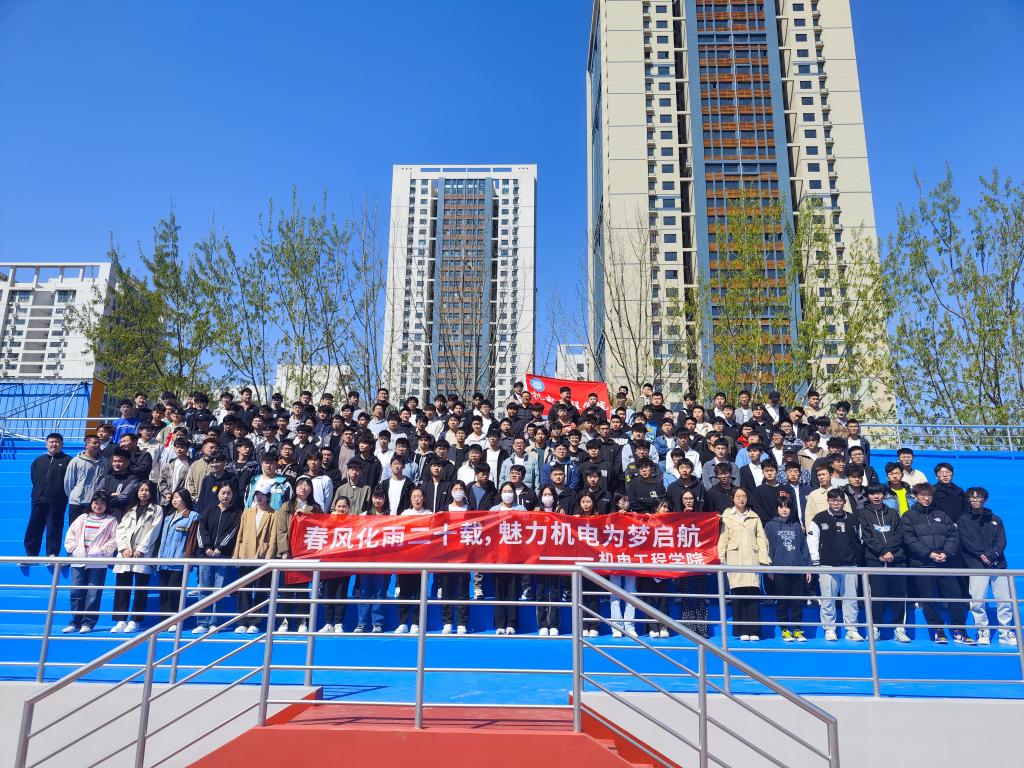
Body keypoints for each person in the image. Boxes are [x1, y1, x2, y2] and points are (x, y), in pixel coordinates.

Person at [902, 483, 973, 644]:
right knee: (929, 598)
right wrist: (929, 554)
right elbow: (909, 539)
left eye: (929, 495)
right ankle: (937, 629)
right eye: (922, 495)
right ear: (916, 496)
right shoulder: (908, 516)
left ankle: (959, 630)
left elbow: (953, 534)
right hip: (923, 564)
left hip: (945, 563)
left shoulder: (941, 514)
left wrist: (946, 553)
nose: (926, 498)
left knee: (955, 596)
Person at [959, 487, 1017, 646]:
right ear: (968, 500)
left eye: (978, 497)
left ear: (985, 499)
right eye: (972, 497)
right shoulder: (963, 520)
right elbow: (967, 542)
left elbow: (1001, 541)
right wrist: (983, 556)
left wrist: (991, 555)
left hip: (998, 565)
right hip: (976, 565)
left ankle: (1005, 631)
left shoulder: (996, 519)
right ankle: (982, 630)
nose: (975, 500)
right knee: (978, 601)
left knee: (1004, 600)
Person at [807, 489, 864, 641]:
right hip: (827, 565)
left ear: (844, 502)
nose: (836, 503)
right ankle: (829, 629)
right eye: (832, 500)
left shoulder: (853, 519)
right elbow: (812, 541)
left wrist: (858, 562)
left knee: (851, 599)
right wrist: (816, 562)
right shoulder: (819, 518)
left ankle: (851, 629)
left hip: (850, 564)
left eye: (839, 500)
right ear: (828, 501)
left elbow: (860, 540)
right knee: (828, 599)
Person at [858, 484, 910, 642]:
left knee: (899, 595)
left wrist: (889, 552)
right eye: (872, 494)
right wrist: (881, 552)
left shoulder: (893, 513)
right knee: (876, 595)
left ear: (884, 495)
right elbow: (867, 537)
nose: (876, 496)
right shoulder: (862, 514)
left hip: (895, 558)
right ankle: (874, 628)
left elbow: (899, 534)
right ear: (868, 496)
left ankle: (900, 628)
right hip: (875, 559)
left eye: (879, 493)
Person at [718, 487, 770, 641]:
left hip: (752, 559)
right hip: (734, 560)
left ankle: (754, 631)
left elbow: (761, 539)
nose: (741, 499)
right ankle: (741, 630)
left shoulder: (754, 516)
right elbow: (723, 539)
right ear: (732, 498)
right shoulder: (727, 516)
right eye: (738, 496)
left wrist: (764, 559)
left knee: (753, 595)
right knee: (738, 595)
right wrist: (721, 557)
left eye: (744, 496)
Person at [62, 491, 118, 634]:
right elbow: (70, 535)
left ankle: (88, 623)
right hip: (79, 560)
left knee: (93, 593)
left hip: (97, 562)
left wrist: (101, 551)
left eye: (102, 503)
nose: (98, 505)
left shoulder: (111, 521)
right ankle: (75, 622)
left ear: (107, 505)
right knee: (76, 591)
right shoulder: (82, 518)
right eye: (96, 502)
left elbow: (114, 540)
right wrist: (74, 549)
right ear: (91, 503)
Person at [111, 481, 164, 633]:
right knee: (122, 586)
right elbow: (120, 529)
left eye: (147, 490)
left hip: (143, 553)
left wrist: (141, 549)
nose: (143, 493)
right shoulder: (130, 509)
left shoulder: (157, 509)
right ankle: (121, 620)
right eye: (141, 490)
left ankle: (135, 620)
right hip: (126, 554)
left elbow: (154, 531)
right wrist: (123, 548)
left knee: (141, 588)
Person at [276, 476, 323, 633]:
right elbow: (281, 530)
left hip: (306, 555)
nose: (304, 487)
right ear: (295, 488)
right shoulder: (286, 506)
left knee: (303, 590)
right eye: (301, 485)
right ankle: (284, 621)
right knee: (286, 590)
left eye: (307, 485)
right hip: (289, 554)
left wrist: (306, 516)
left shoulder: (315, 508)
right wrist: (284, 551)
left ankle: (302, 621)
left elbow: (321, 528)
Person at [193, 484, 241, 635]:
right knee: (204, 589)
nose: (226, 496)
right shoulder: (209, 510)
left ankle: (214, 622)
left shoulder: (236, 513)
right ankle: (202, 622)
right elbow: (201, 529)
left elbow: (232, 532)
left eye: (228, 493)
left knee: (219, 590)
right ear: (218, 494)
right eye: (223, 493)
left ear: (232, 496)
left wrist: (220, 548)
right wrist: (207, 547)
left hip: (222, 556)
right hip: (205, 556)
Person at [233, 486, 282, 633]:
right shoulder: (247, 512)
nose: (259, 497)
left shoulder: (273, 514)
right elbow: (240, 534)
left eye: (262, 495)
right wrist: (236, 555)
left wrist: (269, 558)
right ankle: (243, 620)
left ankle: (256, 621)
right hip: (246, 554)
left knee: (261, 589)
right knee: (244, 588)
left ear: (268, 497)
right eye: (257, 494)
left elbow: (273, 538)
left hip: (262, 555)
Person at [764, 493, 811, 642]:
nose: (784, 510)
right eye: (781, 507)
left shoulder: (796, 526)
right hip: (779, 570)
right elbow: (767, 548)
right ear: (777, 509)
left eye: (787, 507)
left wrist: (807, 567)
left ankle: (797, 629)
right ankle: (784, 629)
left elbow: (804, 548)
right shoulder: (770, 526)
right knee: (783, 601)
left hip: (797, 569)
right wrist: (769, 566)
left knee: (797, 601)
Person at [156, 490, 199, 627]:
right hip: (164, 561)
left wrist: (188, 558)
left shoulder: (192, 516)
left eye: (178, 497)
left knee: (174, 591)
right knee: (164, 592)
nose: (174, 500)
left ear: (185, 499)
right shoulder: (168, 517)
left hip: (179, 562)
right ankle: (164, 622)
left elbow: (192, 540)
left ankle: (175, 621)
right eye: (173, 498)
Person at [26, 432, 70, 559]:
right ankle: (31, 555)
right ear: (46, 444)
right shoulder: (38, 460)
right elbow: (34, 478)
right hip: (38, 499)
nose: (54, 444)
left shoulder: (68, 460)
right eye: (51, 442)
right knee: (34, 527)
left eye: (57, 442)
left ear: (62, 444)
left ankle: (52, 554)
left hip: (57, 501)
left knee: (54, 528)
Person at [492, 483, 528, 635]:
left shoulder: (521, 509)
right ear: (500, 493)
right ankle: (500, 624)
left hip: (515, 556)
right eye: (505, 491)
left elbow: (526, 530)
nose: (508, 494)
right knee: (499, 591)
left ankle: (511, 624)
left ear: (514, 493)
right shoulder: (494, 510)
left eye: (510, 491)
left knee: (513, 591)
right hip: (498, 556)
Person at [395, 488, 431, 634]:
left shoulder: (429, 514)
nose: (417, 499)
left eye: (419, 496)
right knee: (404, 591)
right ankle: (403, 622)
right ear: (410, 499)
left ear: (423, 498)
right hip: (406, 560)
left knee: (418, 592)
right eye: (414, 496)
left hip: (422, 560)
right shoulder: (405, 514)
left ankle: (416, 623)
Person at [675, 488, 710, 637]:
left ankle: (702, 627)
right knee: (686, 593)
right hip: (684, 560)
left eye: (690, 498)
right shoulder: (675, 518)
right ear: (681, 501)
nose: (688, 501)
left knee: (700, 593)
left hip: (699, 559)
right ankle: (689, 627)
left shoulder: (702, 517)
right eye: (685, 499)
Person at [319, 496, 353, 634]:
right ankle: (328, 623)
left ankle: (339, 623)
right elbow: (322, 534)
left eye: (344, 506)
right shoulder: (329, 520)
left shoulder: (353, 522)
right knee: (328, 594)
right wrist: (331, 520)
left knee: (341, 594)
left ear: (348, 508)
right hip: (329, 563)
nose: (341, 509)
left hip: (345, 564)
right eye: (339, 506)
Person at [608, 494, 638, 637]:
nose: (625, 503)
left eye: (627, 500)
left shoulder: (635, 516)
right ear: (616, 502)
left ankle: (629, 626)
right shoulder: (611, 517)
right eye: (622, 500)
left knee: (630, 593)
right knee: (615, 594)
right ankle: (616, 627)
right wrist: (618, 517)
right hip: (615, 559)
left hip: (631, 559)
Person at [64, 434, 107, 526]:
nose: (97, 445)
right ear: (86, 445)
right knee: (75, 529)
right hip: (77, 503)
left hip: (95, 504)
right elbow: (68, 483)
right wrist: (75, 496)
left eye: (99, 443)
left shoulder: (104, 461)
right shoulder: (76, 461)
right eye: (94, 443)